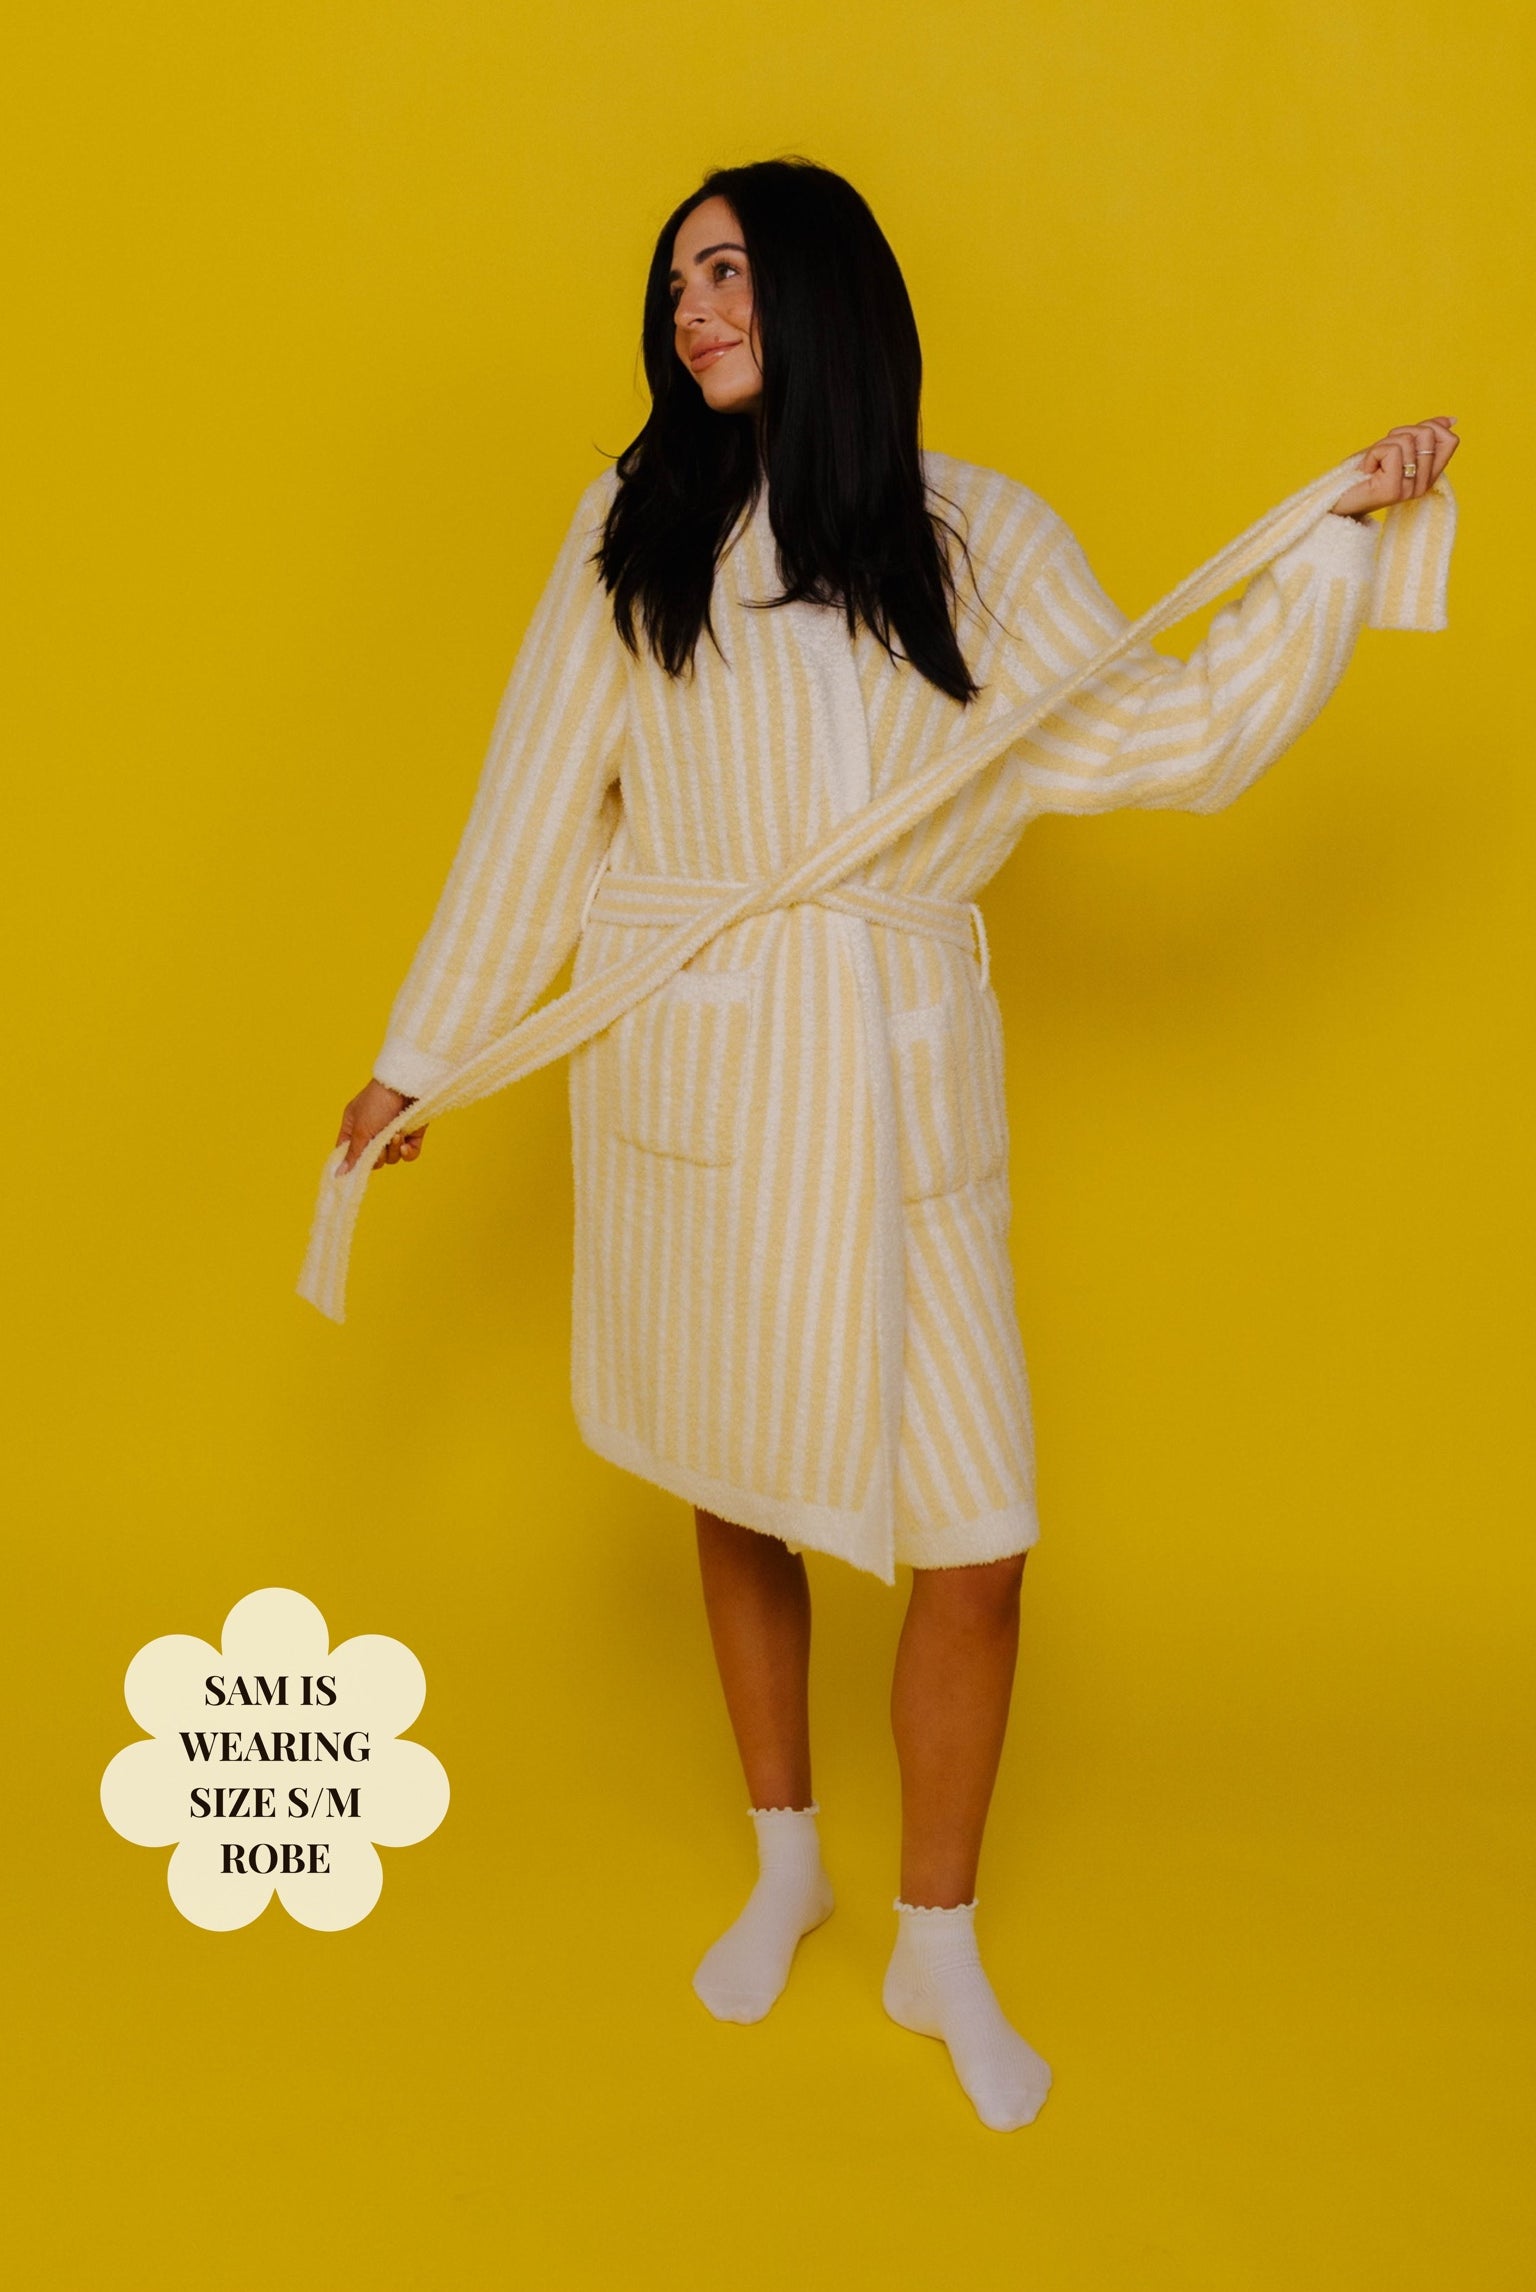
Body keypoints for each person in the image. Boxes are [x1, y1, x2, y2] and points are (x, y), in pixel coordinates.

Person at [321, 159, 1459, 2132]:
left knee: (979, 1541)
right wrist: (422, 1053)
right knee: (733, 1477)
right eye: (676, 278)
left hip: (900, 1080)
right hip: (691, 1064)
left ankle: (937, 1939)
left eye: (731, 269)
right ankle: (788, 1861)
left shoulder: (977, 533)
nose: (692, 306)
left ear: (828, 291)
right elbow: (536, 810)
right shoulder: (634, 526)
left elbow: (1161, 741)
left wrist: (1334, 542)